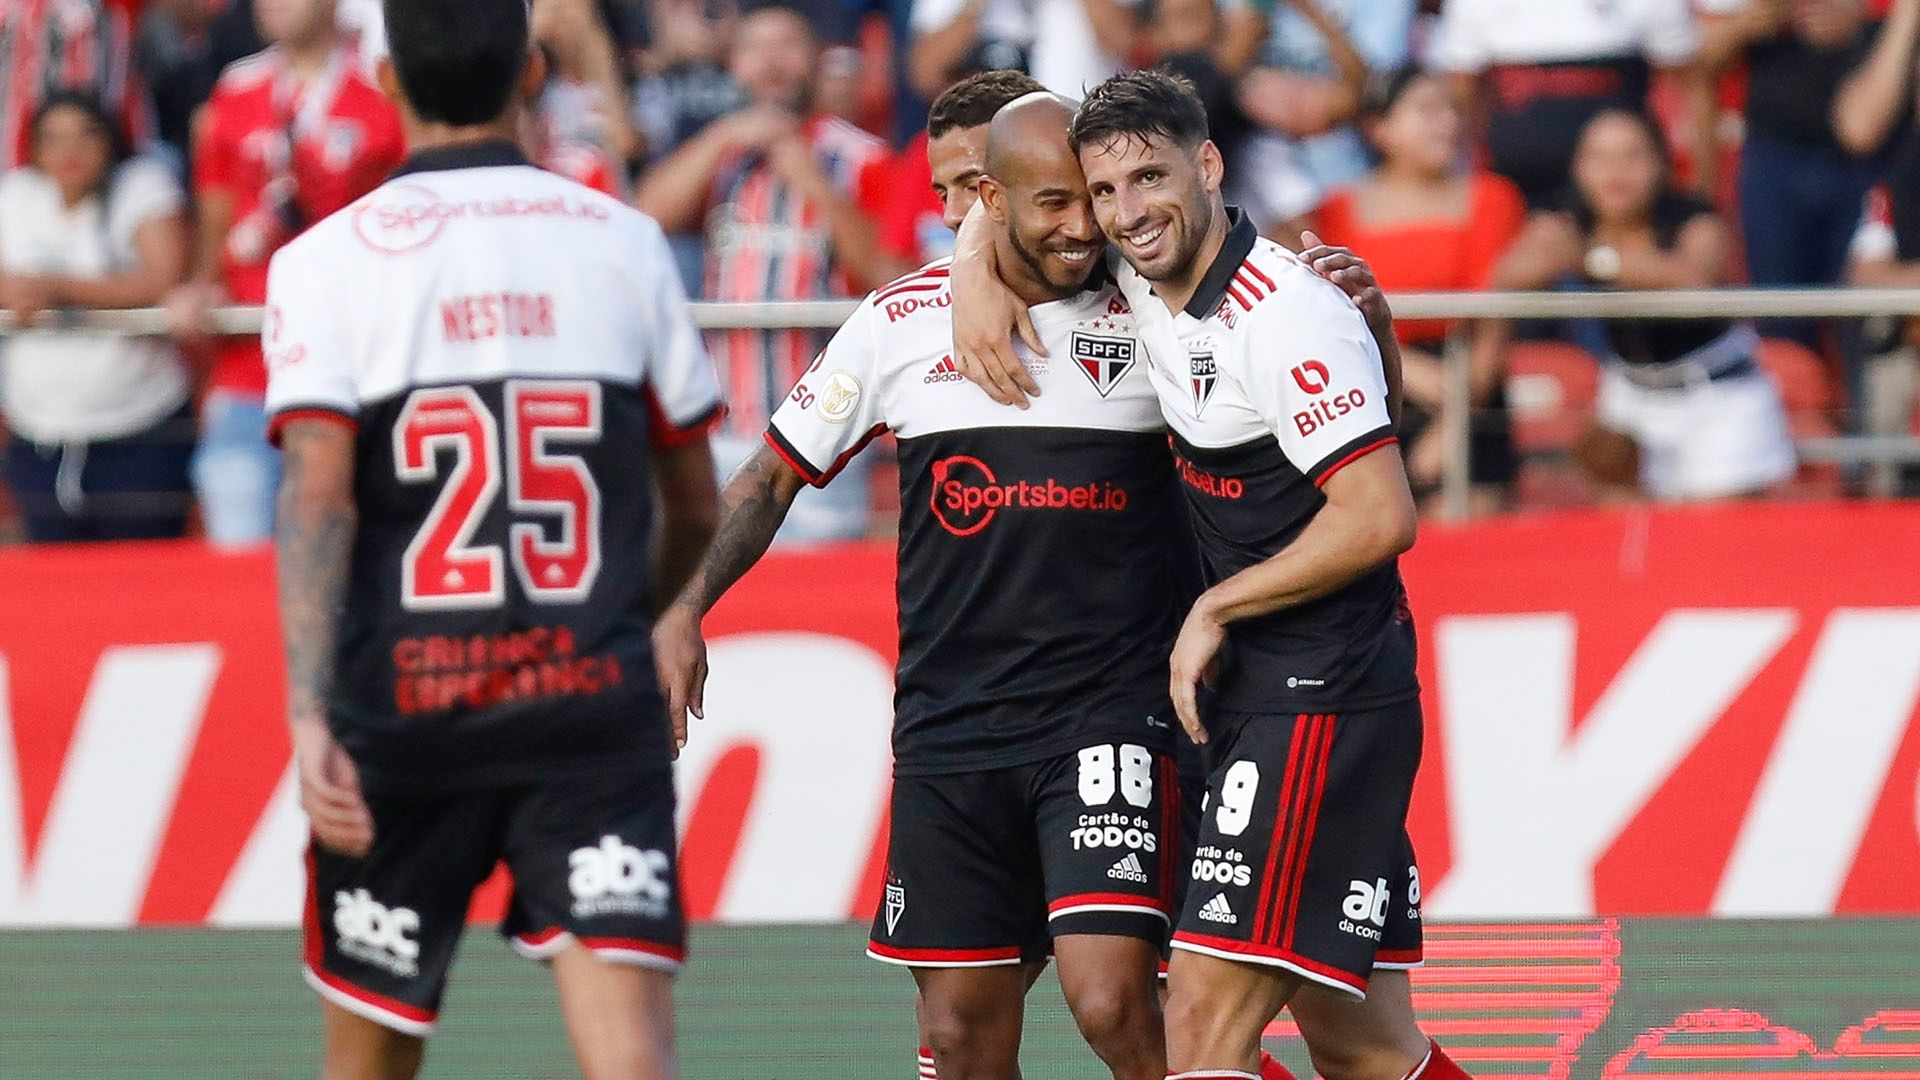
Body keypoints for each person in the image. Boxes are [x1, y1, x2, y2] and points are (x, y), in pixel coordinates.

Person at [653, 93, 1190, 1080]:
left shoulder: (1156, 306)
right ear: (994, 199)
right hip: (953, 729)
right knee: (958, 1039)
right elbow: (770, 476)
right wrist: (686, 605)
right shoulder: (901, 320)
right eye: (1054, 204)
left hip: (1112, 713)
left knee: (1114, 999)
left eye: (1092, 202)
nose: (1085, 226)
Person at [947, 68, 1468, 1080]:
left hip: (1322, 696)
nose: (1126, 213)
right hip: (1272, 697)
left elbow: (1381, 512)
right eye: (1106, 193)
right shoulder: (1150, 276)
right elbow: (1009, 180)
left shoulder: (1283, 311)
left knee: (1196, 1024)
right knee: (1361, 1043)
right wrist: (973, 257)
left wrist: (1214, 607)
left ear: (1209, 163)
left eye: (1150, 178)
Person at [263, 0, 722, 1074]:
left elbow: (319, 501)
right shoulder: (623, 240)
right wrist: (633, 621)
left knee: (369, 1056)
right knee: (628, 1056)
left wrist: (305, 703)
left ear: (384, 78)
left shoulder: (324, 261)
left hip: (409, 700)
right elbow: (695, 502)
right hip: (583, 696)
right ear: (532, 73)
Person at [635, 0, 906, 544]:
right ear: (734, 64)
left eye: (786, 46)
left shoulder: (861, 157)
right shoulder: (720, 158)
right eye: (755, 49)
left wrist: (806, 175)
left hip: (829, 440)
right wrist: (721, 139)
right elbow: (641, 219)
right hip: (729, 432)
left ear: (817, 59)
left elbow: (888, 275)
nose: (771, 63)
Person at [168, 0, 405, 547]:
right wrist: (202, 284)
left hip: (358, 364)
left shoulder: (383, 84)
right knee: (238, 538)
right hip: (251, 362)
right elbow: (216, 214)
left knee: (353, 548)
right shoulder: (237, 86)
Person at [1494, 108, 1795, 503]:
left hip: (1717, 396)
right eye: (1600, 158)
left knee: (1711, 542)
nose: (1615, 173)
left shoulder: (1694, 218)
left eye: (1632, 156)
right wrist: (1547, 251)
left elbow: (1695, 279)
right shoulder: (1569, 218)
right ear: (1579, 168)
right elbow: (1507, 275)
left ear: (1660, 163)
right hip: (1631, 394)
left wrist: (1594, 260)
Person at [1315, 67, 1526, 514]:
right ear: (1380, 127)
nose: (1447, 122)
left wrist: (1454, 422)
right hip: (1367, 384)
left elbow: (1494, 319)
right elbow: (1328, 316)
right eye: (1427, 110)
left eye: (1452, 109)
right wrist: (1403, 364)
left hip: (1468, 382)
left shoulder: (1491, 197)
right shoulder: (1335, 210)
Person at [0, 91, 193, 542]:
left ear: (110, 140)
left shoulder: (142, 183)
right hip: (40, 430)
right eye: (54, 139)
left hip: (138, 424)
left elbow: (161, 277)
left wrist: (57, 287)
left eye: (85, 136)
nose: (70, 152)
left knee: (143, 579)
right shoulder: (16, 195)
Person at [1698, 0, 1902, 346]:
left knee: (1865, 323)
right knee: (1780, 318)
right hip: (1776, 152)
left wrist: (1861, 16)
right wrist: (1750, 22)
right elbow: (1697, 58)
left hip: (1875, 154)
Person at [1426, 0, 1714, 207]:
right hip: (1514, 190)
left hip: (1621, 200)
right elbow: (1462, 96)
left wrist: (1703, 193)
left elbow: (1690, 88)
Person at [878, 67, 1047, 264]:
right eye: (943, 196)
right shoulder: (912, 294)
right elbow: (890, 256)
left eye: (973, 187)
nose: (951, 217)